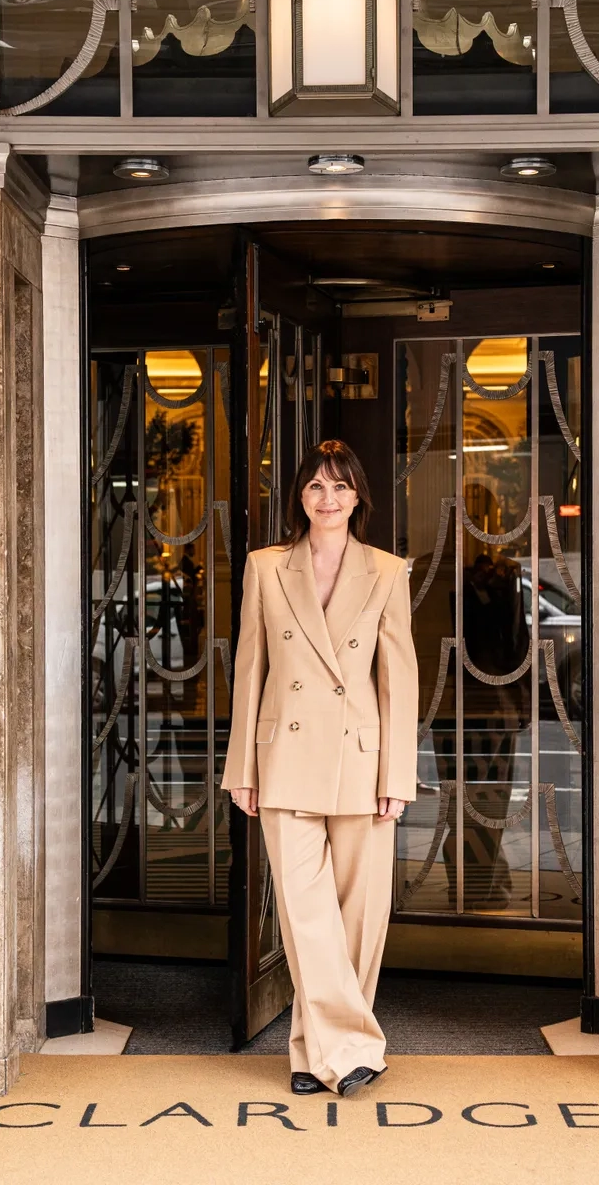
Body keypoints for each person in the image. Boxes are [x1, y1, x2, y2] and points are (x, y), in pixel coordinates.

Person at [221, 439, 419, 1098]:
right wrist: (240, 768)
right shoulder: (266, 567)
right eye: (315, 487)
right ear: (299, 498)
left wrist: (397, 778)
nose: (328, 498)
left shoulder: (388, 572)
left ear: (359, 496)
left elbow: (399, 683)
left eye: (340, 487)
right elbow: (250, 672)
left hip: (362, 765)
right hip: (284, 760)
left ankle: (312, 1055)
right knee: (307, 918)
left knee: (359, 918)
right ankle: (358, 1048)